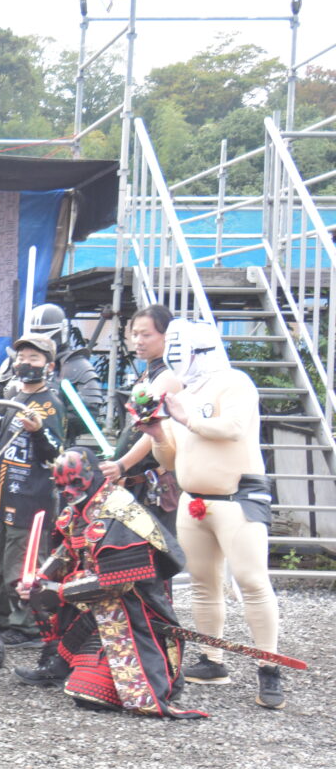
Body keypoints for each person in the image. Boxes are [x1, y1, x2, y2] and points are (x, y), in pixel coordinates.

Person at [136, 318, 285, 709]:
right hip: (195, 500)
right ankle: (211, 659)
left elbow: (232, 428)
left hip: (238, 497)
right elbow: (170, 458)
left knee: (252, 581)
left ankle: (269, 667)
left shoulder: (235, 383)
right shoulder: (184, 393)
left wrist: (186, 418)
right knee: (204, 582)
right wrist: (157, 433)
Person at [13, 448, 202, 717]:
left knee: (91, 695)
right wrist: (41, 579)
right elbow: (68, 549)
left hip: (133, 611)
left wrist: (60, 591)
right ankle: (58, 662)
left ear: (93, 477)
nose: (68, 492)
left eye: (75, 483)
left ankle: (158, 677)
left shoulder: (119, 512)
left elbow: (116, 583)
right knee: (43, 592)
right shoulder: (81, 507)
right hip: (98, 601)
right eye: (62, 486)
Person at [0, 334, 65, 644]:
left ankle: (28, 625)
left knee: (23, 564)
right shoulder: (16, 394)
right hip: (4, 493)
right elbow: (9, 430)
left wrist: (38, 431)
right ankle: (1, 614)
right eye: (22, 357)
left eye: (34, 358)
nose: (26, 363)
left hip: (30, 499)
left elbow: (55, 453)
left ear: (49, 366)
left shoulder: (51, 404)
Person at [99, 305, 179, 536]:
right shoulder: (149, 374)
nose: (138, 341)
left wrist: (121, 464)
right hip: (135, 481)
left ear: (167, 336)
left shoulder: (169, 376)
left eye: (146, 335)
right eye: (134, 334)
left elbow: (153, 431)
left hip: (152, 483)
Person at [27, 302, 106, 438]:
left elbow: (91, 416)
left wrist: (48, 421)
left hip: (58, 441)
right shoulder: (16, 363)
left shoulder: (75, 366)